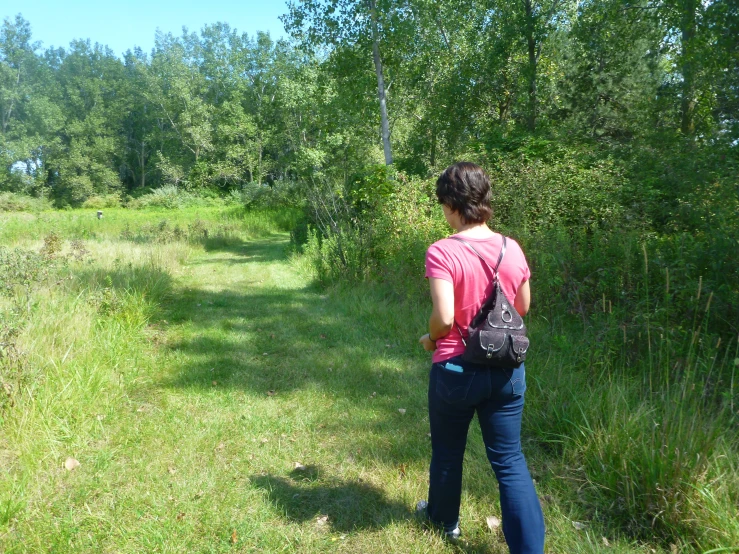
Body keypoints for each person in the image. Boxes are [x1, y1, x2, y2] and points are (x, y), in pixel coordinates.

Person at [417, 162, 545, 553]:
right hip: (506, 369)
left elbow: (445, 318)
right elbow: (522, 306)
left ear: (453, 203)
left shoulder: (442, 251)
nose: (442, 211)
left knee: (448, 451)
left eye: (443, 203)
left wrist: (429, 339)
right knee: (510, 460)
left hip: (456, 368)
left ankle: (444, 521)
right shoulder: (512, 247)